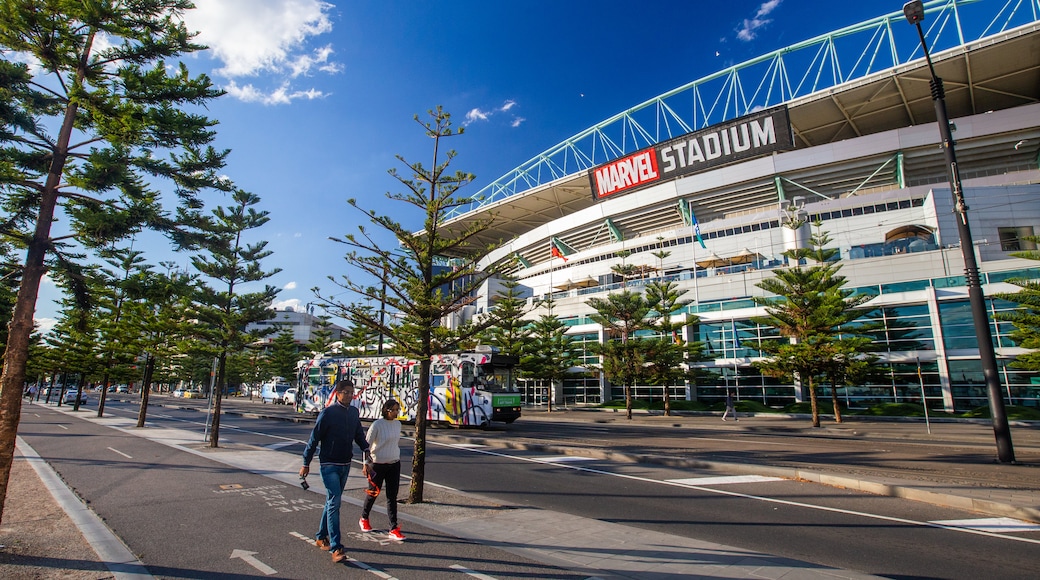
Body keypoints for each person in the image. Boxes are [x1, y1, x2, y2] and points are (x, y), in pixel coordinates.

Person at [299, 379, 371, 563]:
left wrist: (367, 451)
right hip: (329, 464)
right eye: (345, 392)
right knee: (335, 502)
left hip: (345, 463)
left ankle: (320, 535)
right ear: (337, 393)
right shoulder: (328, 413)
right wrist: (306, 463)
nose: (349, 395)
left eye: (351, 392)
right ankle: (336, 547)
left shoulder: (354, 413)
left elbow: (358, 435)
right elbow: (314, 439)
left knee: (332, 501)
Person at [359, 399, 406, 541]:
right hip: (377, 464)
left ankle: (393, 527)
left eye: (398, 409)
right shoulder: (377, 425)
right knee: (373, 493)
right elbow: (366, 445)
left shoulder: (398, 424)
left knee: (392, 496)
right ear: (387, 410)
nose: (397, 412)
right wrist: (365, 463)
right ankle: (364, 517)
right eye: (395, 410)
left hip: (394, 463)